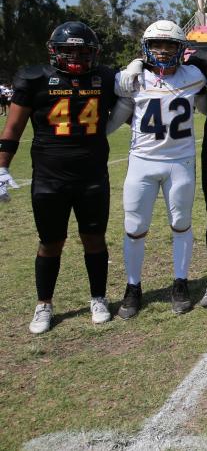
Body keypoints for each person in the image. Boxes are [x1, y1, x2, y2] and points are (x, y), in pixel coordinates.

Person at [0, 22, 129, 334]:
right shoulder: (34, 78)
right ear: (53, 51)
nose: (75, 55)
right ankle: (44, 303)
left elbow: (127, 103)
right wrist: (2, 167)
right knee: (49, 242)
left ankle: (98, 297)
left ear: (93, 53)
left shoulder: (106, 78)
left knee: (94, 238)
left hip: (92, 174)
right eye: (68, 49)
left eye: (82, 51)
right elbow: (13, 128)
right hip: (49, 176)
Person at [114, 20, 206, 318]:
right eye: (156, 44)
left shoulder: (193, 76)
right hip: (142, 162)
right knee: (134, 227)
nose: (163, 51)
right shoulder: (132, 79)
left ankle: (180, 282)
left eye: (170, 45)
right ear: (145, 47)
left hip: (179, 163)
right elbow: (117, 109)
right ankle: (132, 286)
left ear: (182, 49)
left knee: (181, 223)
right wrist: (134, 65)